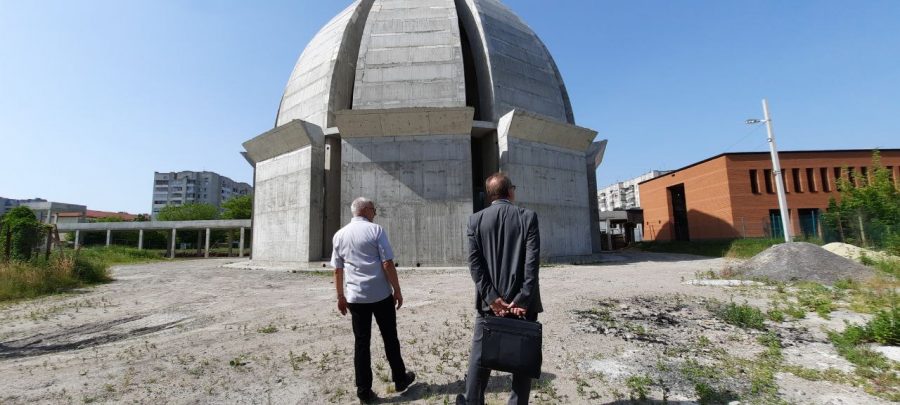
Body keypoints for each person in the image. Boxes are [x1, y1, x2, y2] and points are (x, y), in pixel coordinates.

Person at [457, 173, 542, 405]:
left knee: (480, 356)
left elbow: (474, 264)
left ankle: (473, 401)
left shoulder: (475, 220)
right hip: (521, 307)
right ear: (510, 192)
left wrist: (492, 297)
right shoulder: (528, 217)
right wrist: (522, 299)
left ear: (488, 195)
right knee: (523, 358)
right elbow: (532, 263)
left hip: (489, 305)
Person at [332, 197, 415, 404]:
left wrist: (340, 296)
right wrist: (397, 289)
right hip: (380, 294)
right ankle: (400, 379)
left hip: (356, 297)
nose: (375, 213)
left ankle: (364, 391)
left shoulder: (339, 235)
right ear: (366, 210)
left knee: (361, 343)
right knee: (390, 337)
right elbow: (387, 263)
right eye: (374, 209)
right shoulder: (376, 230)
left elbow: (337, 269)